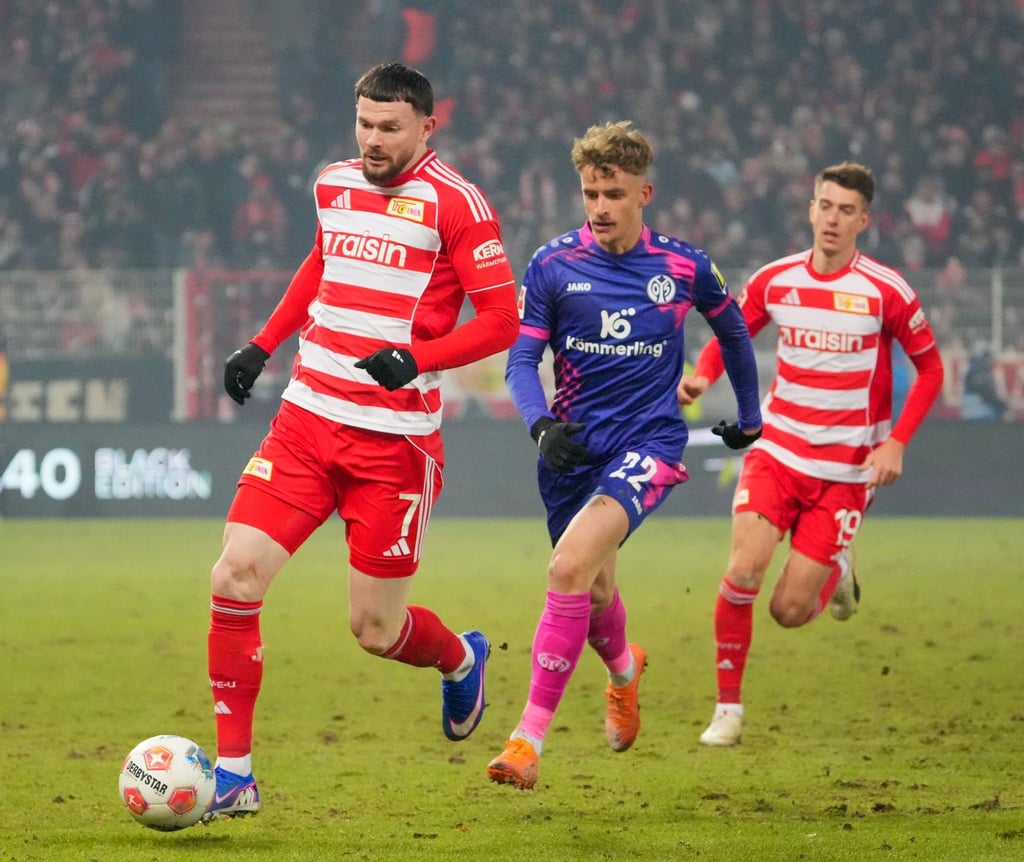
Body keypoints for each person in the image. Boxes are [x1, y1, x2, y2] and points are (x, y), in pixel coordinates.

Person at [204, 62, 519, 819]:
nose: (373, 141)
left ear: (425, 127)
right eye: (364, 125)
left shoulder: (459, 205)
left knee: (375, 630)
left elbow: (502, 320)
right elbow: (322, 262)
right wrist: (264, 342)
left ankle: (459, 656)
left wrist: (418, 358)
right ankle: (235, 774)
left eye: (389, 128)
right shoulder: (334, 183)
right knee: (233, 577)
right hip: (307, 420)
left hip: (393, 446)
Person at [487, 121, 763, 790]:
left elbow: (733, 327)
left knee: (568, 566)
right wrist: (540, 425)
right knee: (595, 587)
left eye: (613, 192)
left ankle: (527, 742)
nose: (600, 206)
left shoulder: (684, 266)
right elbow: (523, 358)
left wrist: (750, 415)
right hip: (570, 450)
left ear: (645, 192)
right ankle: (624, 671)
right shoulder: (553, 264)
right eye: (590, 193)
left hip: (648, 443)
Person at [678, 161, 945, 747]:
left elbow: (931, 369)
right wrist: (701, 376)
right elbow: (734, 333)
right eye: (825, 205)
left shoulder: (886, 291)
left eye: (846, 210)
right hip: (776, 451)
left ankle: (838, 569)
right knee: (742, 571)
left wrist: (897, 441)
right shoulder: (777, 279)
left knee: (789, 611)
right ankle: (728, 709)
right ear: (811, 209)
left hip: (847, 472)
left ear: (863, 221)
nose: (832, 218)